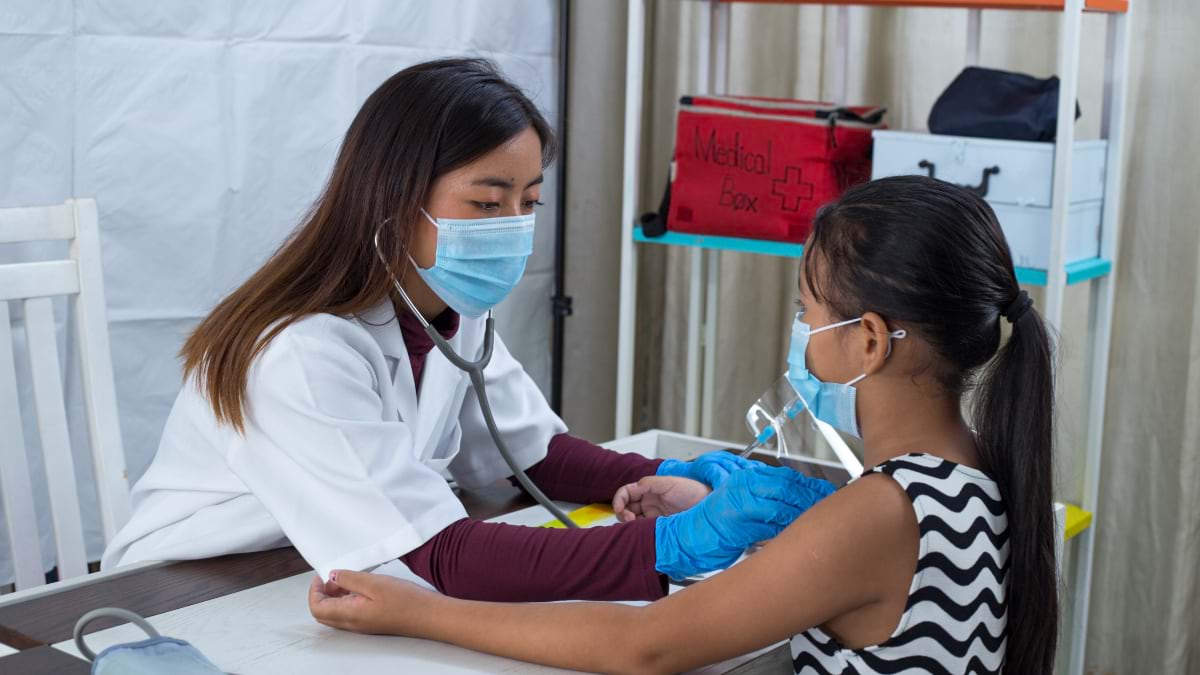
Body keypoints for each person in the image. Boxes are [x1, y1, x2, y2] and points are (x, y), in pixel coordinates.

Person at [101, 58, 823, 603]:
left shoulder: (448, 310)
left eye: (528, 201)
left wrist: (658, 476)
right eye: (487, 201)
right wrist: (668, 545)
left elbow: (525, 453)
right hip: (196, 592)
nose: (513, 226)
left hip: (315, 563)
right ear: (395, 196)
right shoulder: (297, 350)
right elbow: (439, 556)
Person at [308, 176, 1059, 675]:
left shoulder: (882, 509)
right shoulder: (983, 471)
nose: (800, 333)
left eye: (807, 314)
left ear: (867, 341)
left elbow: (644, 645)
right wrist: (775, 525)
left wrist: (424, 612)